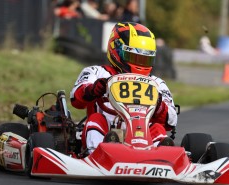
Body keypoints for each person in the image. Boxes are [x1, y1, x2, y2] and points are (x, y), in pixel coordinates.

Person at [70, 22, 178, 154]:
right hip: (106, 131)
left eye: (145, 59)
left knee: (156, 127)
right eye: (134, 57)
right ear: (117, 49)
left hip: (141, 134)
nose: (139, 63)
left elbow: (171, 121)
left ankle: (162, 155)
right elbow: (75, 99)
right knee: (95, 120)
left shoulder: (156, 83)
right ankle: (98, 152)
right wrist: (93, 90)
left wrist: (159, 105)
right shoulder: (96, 72)